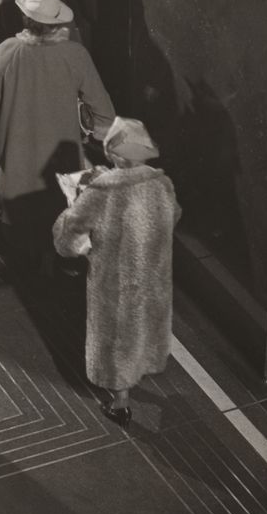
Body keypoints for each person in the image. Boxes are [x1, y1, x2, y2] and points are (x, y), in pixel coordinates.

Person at [0, 0, 115, 272]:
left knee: (20, 206)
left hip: (17, 143)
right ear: (57, 22)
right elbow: (102, 105)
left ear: (25, 19)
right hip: (60, 148)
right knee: (58, 204)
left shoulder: (6, 51)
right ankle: (58, 262)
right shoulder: (75, 54)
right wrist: (102, 129)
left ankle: (24, 261)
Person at [52, 117, 180, 423]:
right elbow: (173, 216)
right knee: (143, 328)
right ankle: (141, 370)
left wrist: (72, 219)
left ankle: (121, 401)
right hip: (152, 275)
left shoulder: (102, 190)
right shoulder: (162, 183)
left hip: (115, 281)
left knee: (117, 337)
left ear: (113, 154)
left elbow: (70, 233)